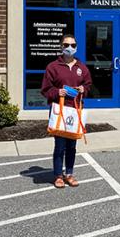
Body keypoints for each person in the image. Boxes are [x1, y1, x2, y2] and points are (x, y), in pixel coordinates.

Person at [41, 34, 92, 189]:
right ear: (61, 47)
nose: (70, 48)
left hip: (75, 110)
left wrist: (84, 89)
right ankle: (58, 175)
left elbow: (89, 85)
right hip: (59, 110)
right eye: (66, 45)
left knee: (72, 145)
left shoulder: (81, 68)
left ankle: (69, 173)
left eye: (73, 45)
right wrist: (57, 92)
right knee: (60, 145)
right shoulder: (52, 67)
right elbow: (45, 89)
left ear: (76, 47)